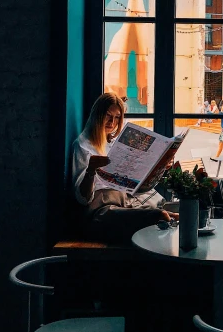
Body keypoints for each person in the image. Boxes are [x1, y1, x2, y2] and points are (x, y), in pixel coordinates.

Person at [72, 93, 177, 243]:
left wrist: (159, 167)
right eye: (108, 116)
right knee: (158, 216)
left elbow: (136, 183)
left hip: (125, 200)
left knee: (174, 213)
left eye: (117, 117)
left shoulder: (112, 144)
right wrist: (90, 171)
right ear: (97, 115)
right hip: (100, 211)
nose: (112, 122)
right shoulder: (82, 146)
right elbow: (82, 199)